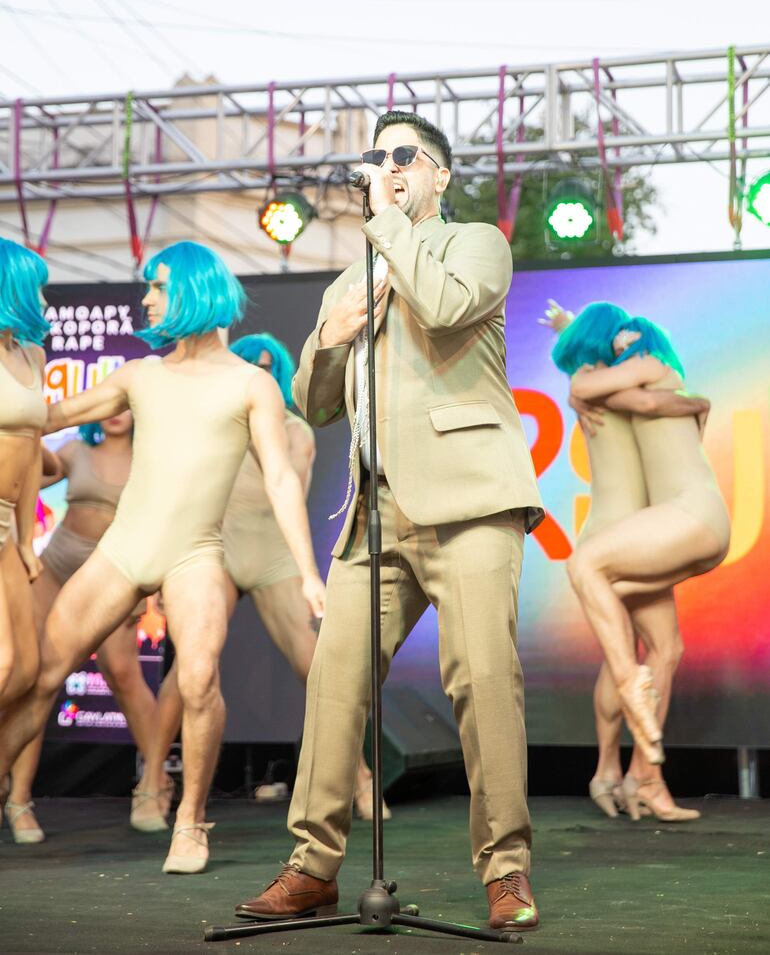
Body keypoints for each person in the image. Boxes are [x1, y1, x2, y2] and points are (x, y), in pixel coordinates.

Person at [235, 111, 544, 934]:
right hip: (375, 513)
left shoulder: (473, 243)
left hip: (471, 501)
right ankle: (312, 866)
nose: (390, 166)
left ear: (440, 175)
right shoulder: (350, 277)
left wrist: (384, 224)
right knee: (333, 684)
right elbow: (316, 400)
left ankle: (506, 870)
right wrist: (330, 339)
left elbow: (443, 309)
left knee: (482, 684)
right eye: (378, 156)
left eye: (405, 156)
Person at [0, 241, 324, 875]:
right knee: (42, 677)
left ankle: (190, 821)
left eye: (156, 286)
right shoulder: (140, 375)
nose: (145, 298)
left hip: (196, 554)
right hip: (122, 548)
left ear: (195, 291)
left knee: (199, 679)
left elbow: (283, 479)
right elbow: (46, 415)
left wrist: (309, 571)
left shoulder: (250, 383)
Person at [143, 333, 388, 822]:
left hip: (274, 553)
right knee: (188, 666)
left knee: (316, 665)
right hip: (218, 544)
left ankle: (360, 777)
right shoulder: (210, 422)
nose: (257, 371)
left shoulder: (296, 431)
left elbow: (289, 487)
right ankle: (150, 784)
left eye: (266, 365)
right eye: (247, 364)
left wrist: (254, 428)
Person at [547, 300, 708, 821]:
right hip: (624, 535)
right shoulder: (606, 383)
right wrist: (695, 403)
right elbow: (653, 404)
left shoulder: (589, 378)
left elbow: (585, 362)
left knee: (637, 652)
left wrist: (568, 327)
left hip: (616, 528)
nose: (625, 341)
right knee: (658, 651)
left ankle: (609, 773)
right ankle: (638, 776)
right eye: (616, 335)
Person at [4, 413, 172, 844]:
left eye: (126, 406)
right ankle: (19, 799)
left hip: (114, 572)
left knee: (123, 673)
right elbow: (25, 478)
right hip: (58, 565)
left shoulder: (151, 457)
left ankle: (154, 784)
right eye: (109, 408)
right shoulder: (76, 450)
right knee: (38, 677)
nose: (117, 415)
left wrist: (145, 586)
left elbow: (158, 522)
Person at [0, 238, 47, 716]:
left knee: (27, 669)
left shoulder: (33, 356)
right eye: (37, 289)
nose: (45, 301)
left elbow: (32, 451)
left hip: (9, 525)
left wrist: (28, 539)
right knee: (4, 660)